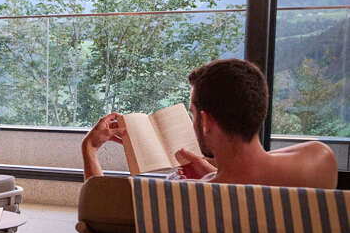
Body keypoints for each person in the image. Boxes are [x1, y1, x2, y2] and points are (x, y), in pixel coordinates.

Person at [82, 58, 338, 189]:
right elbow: (252, 172)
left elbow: (97, 205)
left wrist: (89, 149)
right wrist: (212, 169)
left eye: (193, 113)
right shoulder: (319, 160)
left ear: (205, 121)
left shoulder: (191, 195)